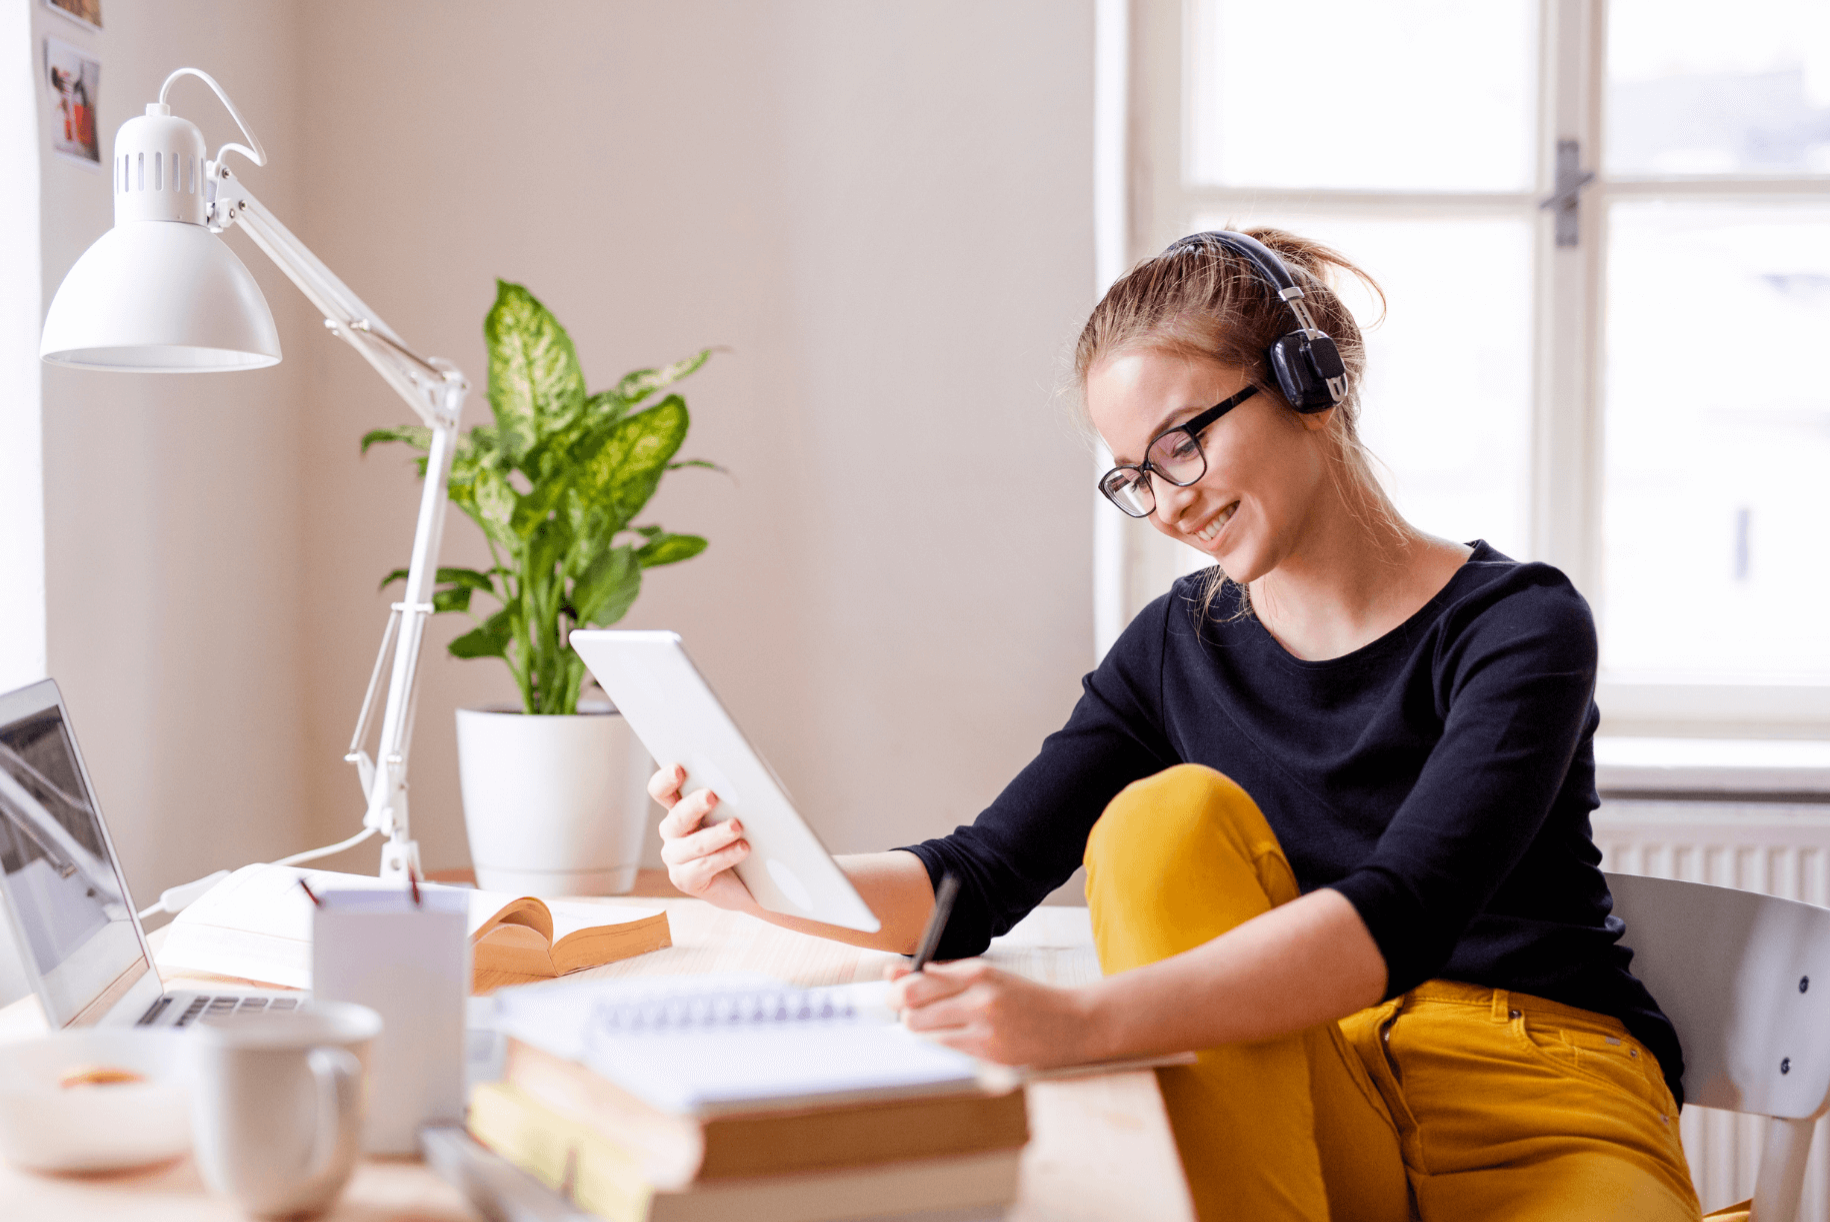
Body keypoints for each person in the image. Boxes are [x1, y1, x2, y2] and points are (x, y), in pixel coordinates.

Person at [647, 228, 1701, 1221]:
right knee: (1165, 819)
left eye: (1183, 443)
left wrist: (1086, 1025)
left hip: (1538, 1092)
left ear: (1311, 386)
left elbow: (1410, 908)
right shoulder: (1173, 648)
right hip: (1307, 1083)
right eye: (1133, 475)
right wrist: (766, 876)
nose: (1166, 504)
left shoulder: (1518, 623)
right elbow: (977, 877)